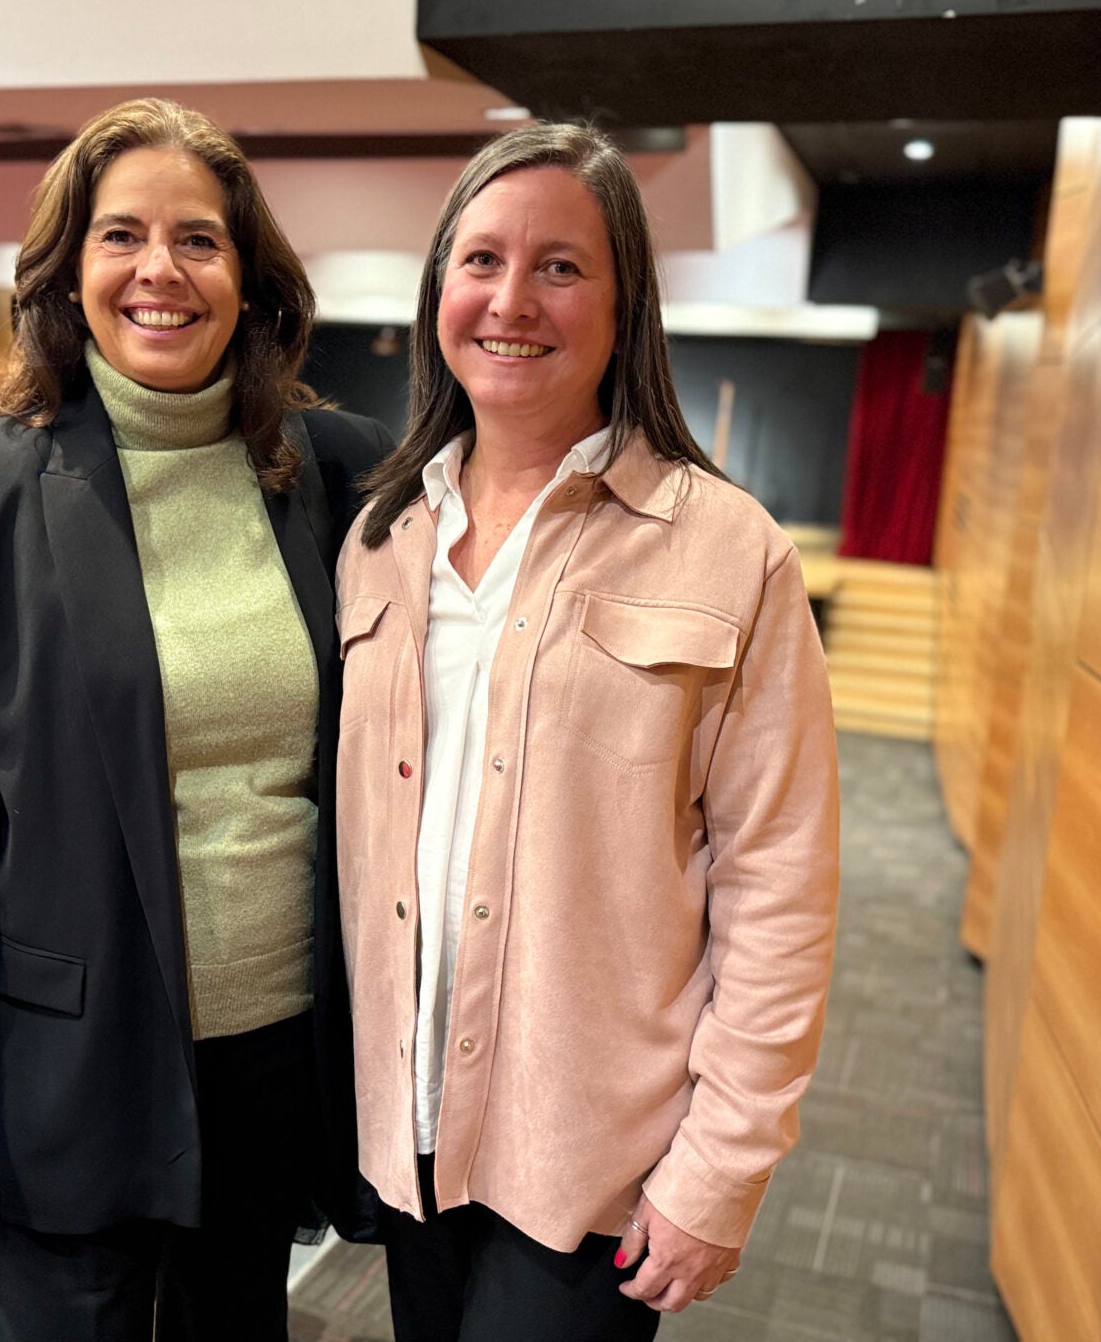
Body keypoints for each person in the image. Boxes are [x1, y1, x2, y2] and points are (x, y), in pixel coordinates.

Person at [0, 97, 393, 1341]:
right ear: (67, 274)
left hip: (274, 1062)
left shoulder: (337, 469)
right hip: (65, 1072)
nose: (161, 270)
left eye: (199, 239)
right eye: (121, 235)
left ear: (248, 278)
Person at [333, 122, 841, 1340]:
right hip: (402, 1134)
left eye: (561, 266)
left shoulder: (730, 549)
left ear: (625, 308)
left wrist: (722, 1167)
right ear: (438, 291)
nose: (512, 300)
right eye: (481, 261)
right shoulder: (379, 539)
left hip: (592, 1160)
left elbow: (779, 885)